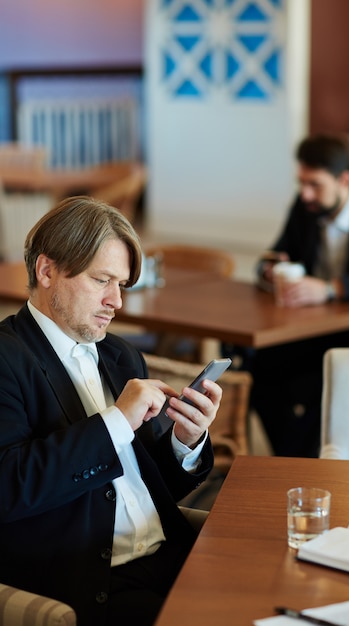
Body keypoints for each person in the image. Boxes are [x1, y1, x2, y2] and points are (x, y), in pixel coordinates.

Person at [0, 196, 223, 626]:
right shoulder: (7, 357)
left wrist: (185, 442)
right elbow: (10, 486)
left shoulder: (121, 356)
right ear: (47, 271)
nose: (116, 302)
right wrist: (116, 421)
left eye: (121, 285)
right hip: (93, 579)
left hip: (172, 557)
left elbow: (150, 487)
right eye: (102, 280)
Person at [250, 133, 349, 457]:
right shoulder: (305, 206)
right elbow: (273, 254)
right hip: (307, 328)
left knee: (323, 387)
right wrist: (271, 267)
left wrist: (329, 288)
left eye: (315, 184)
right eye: (301, 183)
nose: (305, 193)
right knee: (256, 368)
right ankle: (292, 461)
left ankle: (290, 463)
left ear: (344, 180)